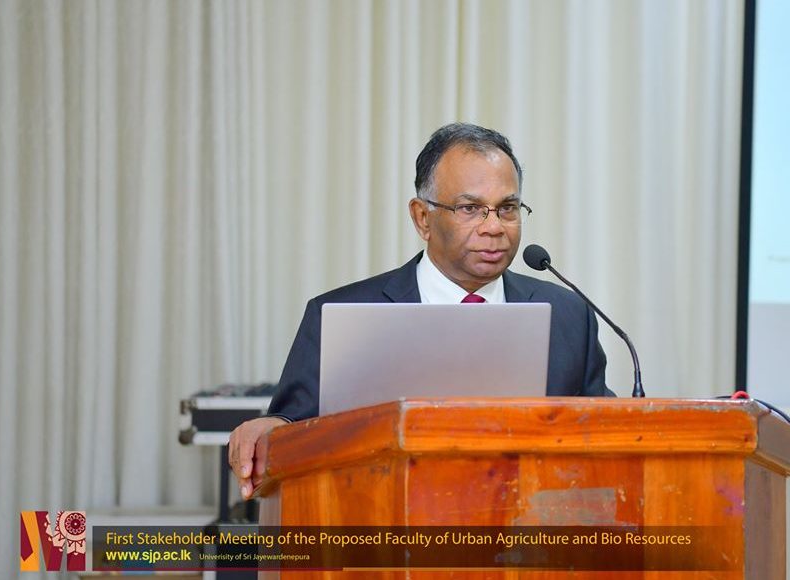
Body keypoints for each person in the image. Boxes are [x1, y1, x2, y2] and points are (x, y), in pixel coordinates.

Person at [229, 122, 611, 499]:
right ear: (422, 218)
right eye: (470, 208)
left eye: (507, 208)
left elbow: (606, 431)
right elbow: (292, 428)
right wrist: (269, 428)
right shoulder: (342, 315)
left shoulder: (567, 313)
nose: (494, 227)